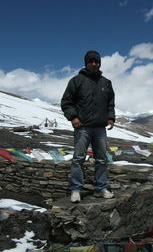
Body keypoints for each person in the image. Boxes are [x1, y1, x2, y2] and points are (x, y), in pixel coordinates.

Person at [61, 50, 115, 203]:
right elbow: (66, 102)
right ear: (86, 63)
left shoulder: (106, 83)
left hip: (100, 128)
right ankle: (76, 190)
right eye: (91, 61)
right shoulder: (76, 81)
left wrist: (110, 117)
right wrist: (73, 117)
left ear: (99, 63)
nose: (94, 64)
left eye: (96, 61)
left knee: (102, 159)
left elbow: (110, 103)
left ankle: (101, 188)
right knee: (78, 158)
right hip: (82, 127)